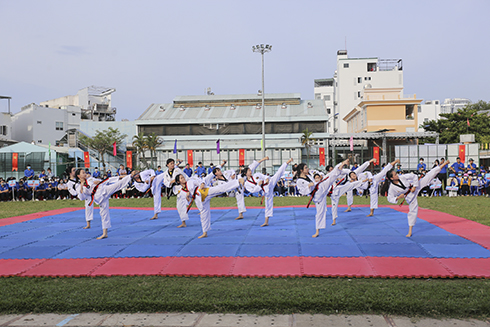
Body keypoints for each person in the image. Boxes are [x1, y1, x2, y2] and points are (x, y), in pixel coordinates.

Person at [384, 160, 449, 237]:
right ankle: (410, 231)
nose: (397, 175)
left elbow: (414, 176)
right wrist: (398, 197)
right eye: (395, 175)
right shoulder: (392, 188)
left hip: (415, 187)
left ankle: (444, 164)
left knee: (428, 176)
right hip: (409, 196)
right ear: (392, 178)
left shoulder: (402, 177)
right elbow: (389, 198)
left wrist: (414, 186)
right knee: (412, 212)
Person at [295, 159, 349, 238]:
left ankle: (342, 164)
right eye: (306, 168)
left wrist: (316, 181)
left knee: (332, 176)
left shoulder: (309, 175)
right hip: (317, 195)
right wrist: (309, 186)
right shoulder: (299, 180)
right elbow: (302, 191)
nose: (308, 169)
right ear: (301, 170)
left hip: (321, 189)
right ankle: (317, 231)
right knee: (319, 213)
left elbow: (315, 179)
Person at [76, 168, 135, 239]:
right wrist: (81, 186)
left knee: (117, 185)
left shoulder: (90, 179)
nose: (85, 174)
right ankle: (105, 233)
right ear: (78, 176)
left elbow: (104, 181)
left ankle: (130, 176)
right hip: (99, 197)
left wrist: (98, 181)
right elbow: (82, 197)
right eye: (83, 173)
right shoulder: (78, 186)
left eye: (85, 172)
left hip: (104, 190)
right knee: (103, 213)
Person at [243, 158, 293, 227]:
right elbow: (253, 190)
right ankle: (266, 222)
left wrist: (267, 178)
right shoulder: (247, 184)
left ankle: (288, 162)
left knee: (278, 173)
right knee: (268, 204)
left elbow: (264, 176)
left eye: (250, 170)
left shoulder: (256, 175)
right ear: (245, 173)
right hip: (265, 190)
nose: (250, 171)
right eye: (248, 171)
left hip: (270, 183)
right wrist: (259, 185)